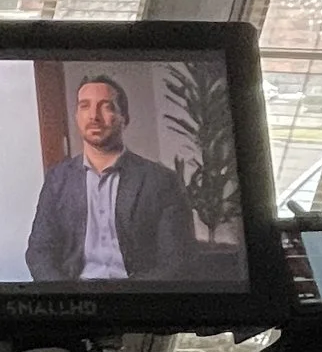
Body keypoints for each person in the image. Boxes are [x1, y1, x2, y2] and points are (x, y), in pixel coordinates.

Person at [23, 70, 198, 282]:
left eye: (106, 106)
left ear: (125, 118)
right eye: (84, 106)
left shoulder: (160, 181)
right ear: (77, 117)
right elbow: (39, 252)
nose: (94, 116)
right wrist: (67, 297)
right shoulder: (57, 180)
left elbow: (177, 261)